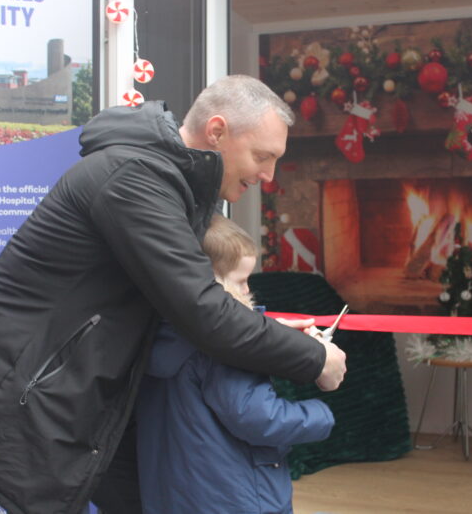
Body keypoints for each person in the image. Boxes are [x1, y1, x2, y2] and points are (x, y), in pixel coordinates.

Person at [0, 75, 347, 514]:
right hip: (28, 397)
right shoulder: (135, 179)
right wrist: (314, 358)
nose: (268, 175)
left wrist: (271, 328)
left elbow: (184, 305)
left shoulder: (174, 186)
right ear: (217, 131)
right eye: (263, 157)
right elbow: (201, 310)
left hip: (77, 397)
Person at [136, 214, 335, 514]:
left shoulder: (156, 332)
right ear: (204, 284)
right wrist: (322, 415)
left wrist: (274, 338)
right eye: (241, 282)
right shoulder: (228, 345)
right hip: (237, 498)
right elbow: (259, 418)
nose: (247, 292)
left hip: (173, 496)